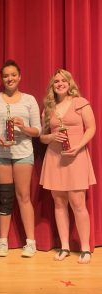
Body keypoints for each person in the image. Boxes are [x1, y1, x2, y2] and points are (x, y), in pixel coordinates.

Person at [0, 60, 41, 257]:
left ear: (20, 76)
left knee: (24, 196)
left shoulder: (29, 100)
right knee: (5, 197)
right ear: (2, 78)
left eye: (13, 75)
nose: (10, 78)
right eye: (6, 75)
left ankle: (31, 242)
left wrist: (23, 127)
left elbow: (38, 131)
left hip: (23, 152)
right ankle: (3, 242)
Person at [39, 69, 96, 264]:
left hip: (76, 157)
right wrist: (52, 136)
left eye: (63, 81)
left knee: (78, 203)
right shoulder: (48, 108)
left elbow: (92, 128)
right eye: (56, 81)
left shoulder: (81, 103)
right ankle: (64, 246)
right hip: (55, 158)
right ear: (52, 86)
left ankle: (85, 249)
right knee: (59, 203)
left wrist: (79, 146)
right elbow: (42, 137)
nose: (60, 84)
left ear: (69, 83)